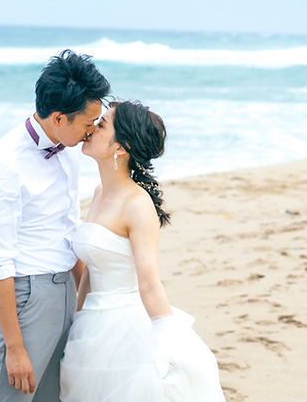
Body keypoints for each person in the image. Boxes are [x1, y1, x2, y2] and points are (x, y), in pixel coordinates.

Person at [60, 100, 226, 402]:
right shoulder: (99, 193)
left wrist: (167, 343)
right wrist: (77, 318)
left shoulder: (137, 205)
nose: (92, 129)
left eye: (102, 125)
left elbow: (149, 283)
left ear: (120, 148)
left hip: (125, 329)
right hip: (92, 326)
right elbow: (92, 267)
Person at [0, 49, 111, 401]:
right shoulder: (3, 165)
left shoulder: (68, 150)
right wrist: (14, 348)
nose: (92, 130)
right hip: (24, 295)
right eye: (87, 122)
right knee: (9, 397)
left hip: (64, 287)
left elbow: (68, 229)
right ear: (59, 118)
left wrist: (83, 300)